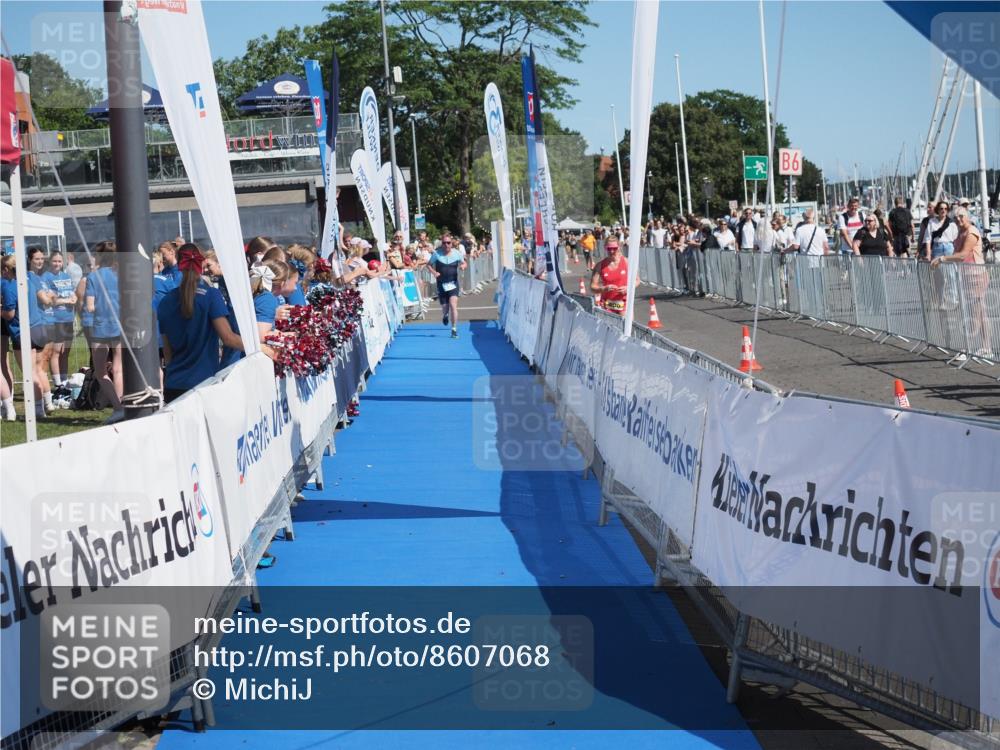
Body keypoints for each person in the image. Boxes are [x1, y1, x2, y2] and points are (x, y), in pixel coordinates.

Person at [157, 245, 256, 402]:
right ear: (201, 264)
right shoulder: (211, 296)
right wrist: (259, 346)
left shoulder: (165, 301)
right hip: (203, 384)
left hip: (174, 385)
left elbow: (168, 354)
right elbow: (228, 338)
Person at [931, 206, 990, 355]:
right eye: (956, 218)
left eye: (961, 216)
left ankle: (971, 347)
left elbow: (963, 255)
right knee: (975, 312)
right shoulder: (960, 232)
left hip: (976, 275)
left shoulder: (971, 232)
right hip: (965, 274)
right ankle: (983, 346)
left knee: (975, 313)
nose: (959, 219)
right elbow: (957, 253)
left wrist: (943, 258)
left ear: (968, 217)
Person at [86, 242, 123, 413]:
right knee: (118, 367)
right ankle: (122, 403)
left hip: (101, 327)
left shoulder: (93, 277)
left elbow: (90, 306)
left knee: (100, 372)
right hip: (120, 325)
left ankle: (117, 407)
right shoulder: (121, 275)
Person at [27, 247, 55, 415]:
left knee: (38, 368)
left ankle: (43, 405)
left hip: (38, 325)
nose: (40, 261)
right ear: (29, 259)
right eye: (36, 258)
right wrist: (50, 295)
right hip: (40, 324)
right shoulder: (32, 277)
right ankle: (47, 403)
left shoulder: (34, 277)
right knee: (40, 367)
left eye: (42, 258)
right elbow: (46, 299)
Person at [43, 250, 77, 389]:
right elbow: (50, 300)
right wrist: (67, 300)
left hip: (68, 318)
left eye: (60, 261)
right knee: (56, 352)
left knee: (65, 352)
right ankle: (58, 384)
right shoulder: (46, 277)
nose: (57, 264)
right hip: (55, 319)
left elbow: (72, 292)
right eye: (55, 261)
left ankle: (64, 380)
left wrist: (74, 297)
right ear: (50, 262)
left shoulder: (66, 276)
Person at [426, 233, 466, 338]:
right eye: (444, 243)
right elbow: (428, 265)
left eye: (448, 243)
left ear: (451, 243)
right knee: (445, 307)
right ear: (442, 244)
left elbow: (464, 262)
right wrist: (434, 272)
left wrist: (463, 266)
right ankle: (445, 315)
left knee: (453, 305)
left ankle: (454, 329)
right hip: (441, 284)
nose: (446, 245)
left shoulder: (457, 253)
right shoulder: (436, 254)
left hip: (453, 283)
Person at [924, 200, 959, 308]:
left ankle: (953, 300)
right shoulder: (932, 222)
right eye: (941, 208)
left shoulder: (951, 223)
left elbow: (955, 238)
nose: (943, 210)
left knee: (951, 275)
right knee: (939, 277)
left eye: (945, 209)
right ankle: (941, 301)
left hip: (948, 247)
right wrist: (928, 254)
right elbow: (928, 239)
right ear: (937, 210)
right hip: (937, 248)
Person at [590, 237, 635, 315]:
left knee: (626, 327)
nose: (611, 251)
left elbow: (637, 280)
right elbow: (592, 286)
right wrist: (603, 288)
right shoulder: (600, 265)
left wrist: (628, 288)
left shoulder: (627, 262)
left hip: (624, 304)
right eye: (609, 248)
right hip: (606, 305)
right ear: (605, 248)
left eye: (614, 248)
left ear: (619, 247)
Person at [1, 255, 18, 420]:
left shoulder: (5, 283)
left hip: (3, 324)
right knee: (4, 364)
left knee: (2, 366)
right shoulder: (11, 282)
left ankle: (7, 405)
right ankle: (9, 403)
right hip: (5, 326)